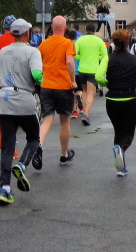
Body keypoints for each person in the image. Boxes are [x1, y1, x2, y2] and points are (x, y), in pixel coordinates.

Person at [0, 19, 42, 205]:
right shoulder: (32, 51)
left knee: (7, 146)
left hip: (4, 99)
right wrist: (43, 83)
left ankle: (4, 188)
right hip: (24, 99)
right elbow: (37, 75)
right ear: (27, 33)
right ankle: (22, 164)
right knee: (33, 137)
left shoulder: (3, 51)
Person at [96, 29, 136, 176]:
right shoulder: (134, 59)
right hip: (129, 99)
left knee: (118, 131)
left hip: (112, 100)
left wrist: (107, 83)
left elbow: (99, 76)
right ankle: (121, 149)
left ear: (113, 42)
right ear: (127, 42)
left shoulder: (108, 58)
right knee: (128, 134)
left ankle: (121, 167)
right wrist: (135, 83)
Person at [34, 15, 77, 170]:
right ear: (65, 28)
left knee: (47, 119)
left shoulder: (44, 44)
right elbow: (69, 61)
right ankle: (64, 154)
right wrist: (73, 80)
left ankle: (39, 144)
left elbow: (38, 62)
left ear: (52, 27)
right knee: (65, 121)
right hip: (63, 87)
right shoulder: (68, 43)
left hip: (46, 86)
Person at [74, 23, 106, 126]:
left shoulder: (80, 40)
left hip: (82, 70)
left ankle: (84, 110)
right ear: (95, 31)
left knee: (84, 91)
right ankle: (86, 114)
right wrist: (97, 58)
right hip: (93, 70)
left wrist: (82, 57)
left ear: (86, 30)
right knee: (91, 93)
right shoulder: (99, 41)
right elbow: (105, 56)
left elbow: (74, 54)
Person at [67, 29, 83, 119]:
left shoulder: (67, 44)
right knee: (80, 89)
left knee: (73, 91)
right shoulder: (79, 44)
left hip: (70, 71)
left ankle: (74, 112)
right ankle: (79, 99)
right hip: (80, 70)